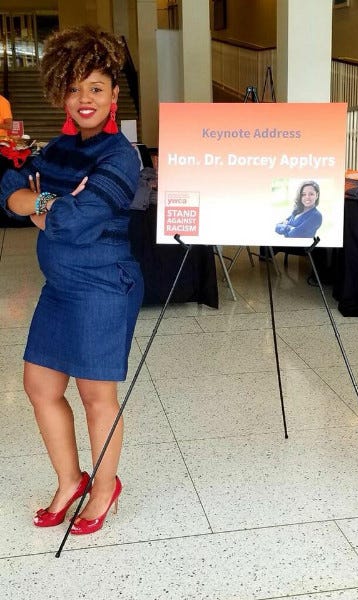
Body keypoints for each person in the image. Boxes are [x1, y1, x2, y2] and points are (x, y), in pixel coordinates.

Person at [0, 26, 144, 535]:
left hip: (104, 285)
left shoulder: (121, 157)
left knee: (94, 396)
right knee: (38, 384)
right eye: (75, 88)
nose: (85, 99)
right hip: (59, 287)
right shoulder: (58, 149)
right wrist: (43, 202)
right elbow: (9, 186)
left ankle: (105, 489)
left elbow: (74, 222)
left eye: (96, 88)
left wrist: (42, 207)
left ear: (113, 95)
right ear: (62, 92)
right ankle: (70, 480)